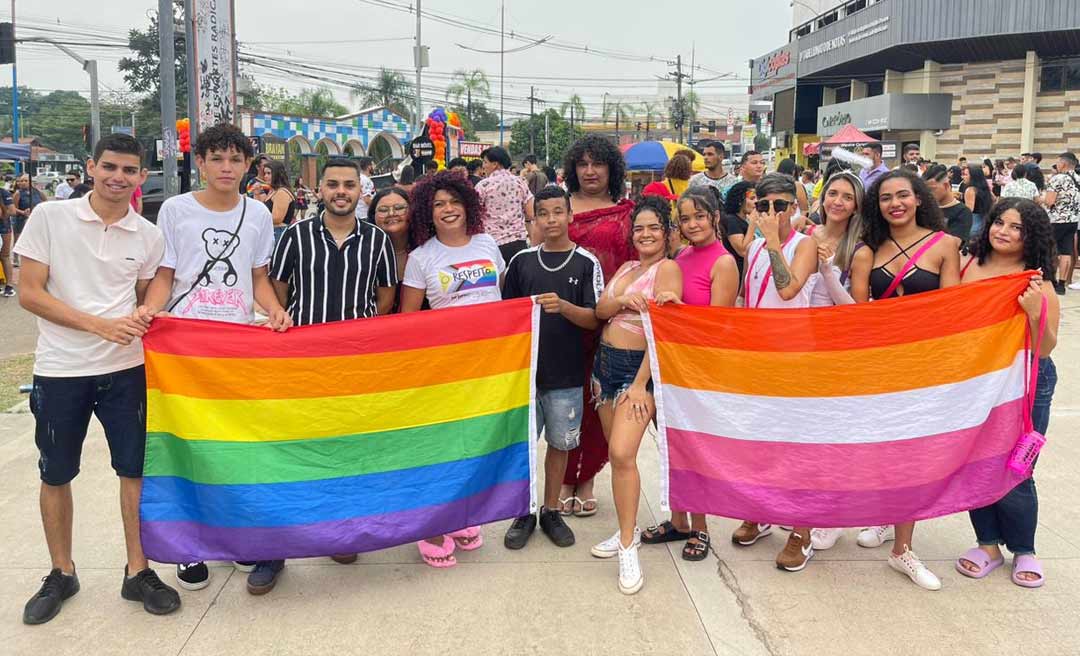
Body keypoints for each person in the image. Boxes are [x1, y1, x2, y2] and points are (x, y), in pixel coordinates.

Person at [16, 133, 180, 625]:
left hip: (127, 370)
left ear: (141, 177)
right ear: (91, 167)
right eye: (110, 166)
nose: (118, 177)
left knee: (134, 471)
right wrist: (100, 325)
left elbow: (157, 282)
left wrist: (148, 309)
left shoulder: (146, 234)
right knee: (56, 472)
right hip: (61, 368)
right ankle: (61, 571)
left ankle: (138, 571)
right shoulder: (50, 217)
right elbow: (29, 292)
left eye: (130, 171)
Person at [134, 122, 292, 595]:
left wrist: (275, 309)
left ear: (248, 166)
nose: (226, 168)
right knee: (187, 445)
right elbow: (165, 274)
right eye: (216, 159)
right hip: (183, 346)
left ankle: (239, 536)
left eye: (235, 160)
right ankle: (191, 546)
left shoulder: (258, 214)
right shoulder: (176, 210)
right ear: (199, 163)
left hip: (236, 346)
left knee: (236, 446)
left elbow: (259, 278)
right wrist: (150, 309)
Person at [850, 169, 960, 591]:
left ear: (918, 199)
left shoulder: (945, 245)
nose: (894, 203)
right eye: (885, 198)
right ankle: (883, 515)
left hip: (923, 367)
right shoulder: (866, 252)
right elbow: (858, 315)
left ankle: (903, 549)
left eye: (902, 195)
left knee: (912, 454)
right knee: (881, 450)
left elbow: (950, 312)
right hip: (879, 366)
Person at [400, 171, 503, 567]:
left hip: (490, 364)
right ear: (428, 211)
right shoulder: (422, 257)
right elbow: (409, 319)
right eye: (438, 204)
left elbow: (500, 299)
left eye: (453, 201)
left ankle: (461, 516)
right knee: (442, 446)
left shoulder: (488, 244)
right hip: (446, 368)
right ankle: (432, 526)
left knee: (474, 444)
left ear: (467, 204)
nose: (447, 209)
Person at [955, 198, 1059, 588]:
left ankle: (1024, 550)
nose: (1003, 231)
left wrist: (1034, 312)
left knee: (1017, 468)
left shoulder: (1037, 280)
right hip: (976, 382)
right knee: (977, 464)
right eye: (1000, 222)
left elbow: (1046, 348)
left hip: (1027, 385)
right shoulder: (968, 265)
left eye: (1017, 227)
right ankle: (988, 545)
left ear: (1031, 236)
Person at [588, 196, 682, 594]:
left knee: (623, 454)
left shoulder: (668, 270)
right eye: (639, 228)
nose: (644, 234)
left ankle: (629, 546)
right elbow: (599, 310)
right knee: (616, 455)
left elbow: (663, 332)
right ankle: (625, 528)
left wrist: (643, 383)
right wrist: (621, 301)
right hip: (603, 367)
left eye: (653, 228)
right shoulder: (627, 267)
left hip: (636, 372)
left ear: (666, 233)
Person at [502, 186, 604, 551]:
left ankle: (550, 509)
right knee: (525, 446)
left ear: (570, 215)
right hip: (525, 376)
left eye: (557, 212)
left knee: (560, 445)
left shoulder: (586, 263)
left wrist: (564, 307)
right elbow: (504, 316)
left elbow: (595, 318)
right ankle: (524, 511)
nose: (550, 220)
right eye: (542, 213)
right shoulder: (522, 262)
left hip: (566, 375)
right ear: (535, 219)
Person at [729, 173, 820, 572]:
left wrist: (773, 242)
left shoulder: (805, 245)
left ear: (794, 208)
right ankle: (760, 510)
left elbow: (788, 291)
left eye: (780, 206)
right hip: (757, 358)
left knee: (795, 446)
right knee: (758, 442)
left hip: (793, 360)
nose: (772, 213)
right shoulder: (752, 250)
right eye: (764, 206)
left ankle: (803, 530)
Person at [642, 189, 738, 561]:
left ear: (715, 216)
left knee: (695, 451)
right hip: (672, 365)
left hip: (702, 369)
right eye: (684, 219)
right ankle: (678, 520)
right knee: (671, 445)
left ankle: (700, 528)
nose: (692, 224)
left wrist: (679, 311)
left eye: (699, 216)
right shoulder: (680, 256)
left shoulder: (724, 263)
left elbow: (719, 326)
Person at [559, 135, 637, 519]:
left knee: (598, 403)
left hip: (612, 319)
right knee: (564, 400)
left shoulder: (626, 212)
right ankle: (562, 477)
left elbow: (640, 264)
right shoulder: (560, 207)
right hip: (564, 318)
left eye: (598, 164)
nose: (590, 172)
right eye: (583, 164)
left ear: (611, 169)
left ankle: (585, 478)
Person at [271, 157, 397, 325]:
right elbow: (279, 287)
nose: (341, 191)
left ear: (360, 190)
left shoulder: (378, 240)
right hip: (305, 341)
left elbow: (386, 299)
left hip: (358, 344)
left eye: (350, 185)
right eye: (332, 185)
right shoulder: (295, 235)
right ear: (321, 188)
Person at [805, 171, 865, 310]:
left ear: (856, 207)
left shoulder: (860, 251)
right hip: (799, 325)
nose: (837, 202)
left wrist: (828, 274)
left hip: (832, 328)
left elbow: (859, 312)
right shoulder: (805, 234)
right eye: (832, 194)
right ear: (823, 198)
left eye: (848, 197)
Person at [475, 146, 535, 262]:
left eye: (485, 162)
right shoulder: (520, 182)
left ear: (495, 164)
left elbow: (474, 216)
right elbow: (531, 213)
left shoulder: (483, 186)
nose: (483, 166)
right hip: (518, 243)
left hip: (491, 244)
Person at [369, 187, 413, 313]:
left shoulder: (426, 249)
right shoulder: (362, 252)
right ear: (373, 216)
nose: (391, 213)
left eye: (399, 208)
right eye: (383, 210)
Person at [1043, 152, 1080, 294]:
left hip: (1057, 219)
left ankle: (1049, 278)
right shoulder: (1077, 178)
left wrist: (1042, 200)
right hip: (1072, 220)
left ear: (1063, 164)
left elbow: (1050, 201)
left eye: (1058, 162)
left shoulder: (1057, 179)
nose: (1056, 165)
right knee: (1066, 251)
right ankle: (1061, 284)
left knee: (1049, 249)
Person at [924, 164, 973, 245]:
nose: (928, 194)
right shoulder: (926, 209)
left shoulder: (963, 212)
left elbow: (953, 244)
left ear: (946, 186)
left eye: (931, 189)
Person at [720, 180, 757, 278]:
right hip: (737, 274)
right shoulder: (732, 220)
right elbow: (742, 251)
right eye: (752, 198)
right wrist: (753, 223)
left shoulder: (744, 220)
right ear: (740, 200)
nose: (756, 202)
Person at [263, 160, 298, 243]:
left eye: (269, 173)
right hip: (272, 232)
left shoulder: (281, 192)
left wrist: (260, 219)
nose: (265, 176)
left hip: (279, 233)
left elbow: (277, 218)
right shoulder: (273, 191)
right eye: (264, 173)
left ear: (277, 174)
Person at [12, 174, 44, 259]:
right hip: (21, 219)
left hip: (35, 218)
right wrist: (23, 212)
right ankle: (16, 258)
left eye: (26, 181)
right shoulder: (18, 193)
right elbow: (13, 208)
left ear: (31, 182)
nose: (23, 182)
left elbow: (45, 202)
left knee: (35, 239)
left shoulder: (37, 192)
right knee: (18, 239)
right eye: (21, 181)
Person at [962, 163, 995, 238]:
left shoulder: (970, 190)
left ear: (973, 176)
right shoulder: (984, 189)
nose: (963, 177)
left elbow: (968, 210)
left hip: (973, 224)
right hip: (984, 221)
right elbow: (994, 199)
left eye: (965, 175)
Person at [0, 183, 16, 296]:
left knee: (4, 256)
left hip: (3, 228)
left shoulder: (3, 193)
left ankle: (9, 285)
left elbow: (12, 211)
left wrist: (3, 211)